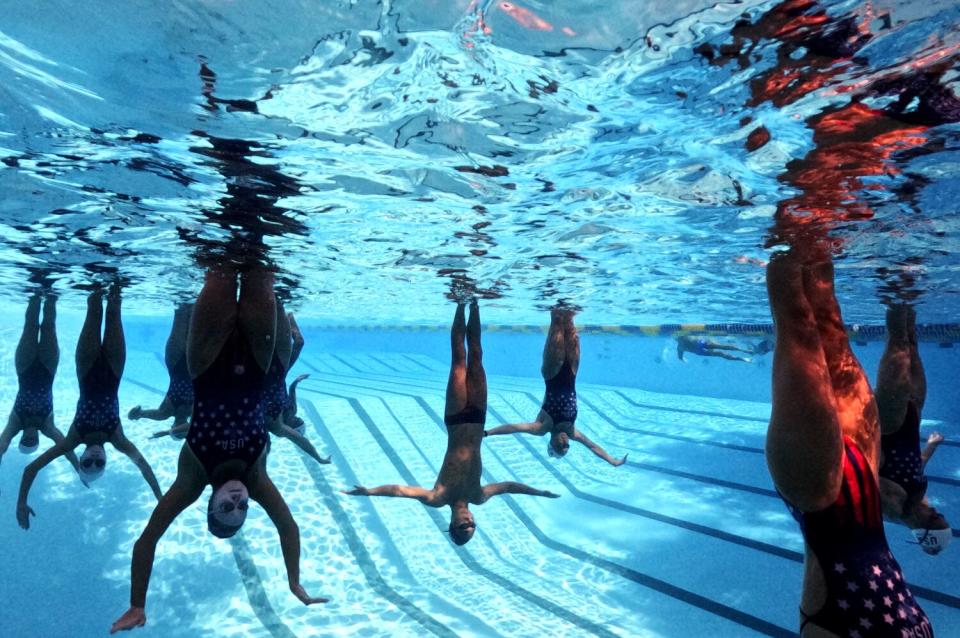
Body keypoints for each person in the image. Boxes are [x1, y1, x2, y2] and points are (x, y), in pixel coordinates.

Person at [110, 265, 327, 634]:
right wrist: (294, 581)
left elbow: (148, 539)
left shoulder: (193, 477)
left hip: (206, 361)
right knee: (261, 269)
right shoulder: (256, 480)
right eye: (241, 509)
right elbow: (288, 528)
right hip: (258, 360)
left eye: (226, 507)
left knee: (219, 270)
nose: (237, 500)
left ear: (210, 504)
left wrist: (136, 603)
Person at [765, 243, 933, 636]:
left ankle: (793, 212)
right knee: (829, 319)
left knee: (799, 322)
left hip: (818, 496)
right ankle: (822, 214)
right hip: (865, 469)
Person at [344, 301, 559, 545]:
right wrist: (538, 492)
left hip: (456, 419)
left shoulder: (438, 497)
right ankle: (475, 304)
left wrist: (370, 491)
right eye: (472, 525)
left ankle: (459, 303)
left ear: (453, 524)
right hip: (478, 418)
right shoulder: (478, 496)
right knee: (476, 356)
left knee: (459, 359)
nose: (468, 520)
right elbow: (508, 486)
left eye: (463, 526)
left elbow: (401, 491)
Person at [17, 288, 163, 529]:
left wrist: (21, 502)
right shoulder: (118, 439)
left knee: (94, 305)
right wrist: (159, 499)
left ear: (81, 458)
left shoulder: (73, 439)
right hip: (115, 368)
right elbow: (144, 467)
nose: (94, 460)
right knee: (114, 308)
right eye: (99, 464)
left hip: (85, 366)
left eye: (87, 464)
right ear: (106, 460)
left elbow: (32, 468)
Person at [484, 307, 627, 466]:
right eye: (567, 446)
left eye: (561, 446)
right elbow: (592, 446)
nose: (565, 442)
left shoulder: (541, 427)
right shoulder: (572, 431)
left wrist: (487, 433)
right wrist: (612, 461)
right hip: (572, 371)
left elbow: (514, 428)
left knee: (557, 319)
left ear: (552, 443)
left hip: (552, 371)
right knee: (570, 319)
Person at [875, 303, 951, 554]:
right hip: (912, 418)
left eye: (932, 517)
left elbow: (866, 471)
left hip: (891, 427)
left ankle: (897, 288)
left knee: (898, 345)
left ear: (921, 527)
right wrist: (931, 446)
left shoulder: (893, 507)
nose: (932, 509)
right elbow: (914, 467)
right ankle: (910, 295)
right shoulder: (917, 501)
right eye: (937, 513)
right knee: (912, 346)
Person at [0, 295, 83, 477]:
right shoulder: (47, 426)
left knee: (30, 326)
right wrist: (78, 468)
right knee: (49, 326)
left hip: (24, 368)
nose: (30, 438)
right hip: (48, 368)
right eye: (32, 442)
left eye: (26, 441)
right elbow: (65, 446)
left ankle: (34, 294)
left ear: (21, 438)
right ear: (38, 438)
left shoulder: (15, 423)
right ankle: (51, 294)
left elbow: (2, 445)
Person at [262, 302, 328, 463]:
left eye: (297, 422)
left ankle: (275, 308)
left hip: (266, 377)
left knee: (269, 340)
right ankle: (288, 313)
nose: (298, 418)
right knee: (299, 342)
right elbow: (290, 390)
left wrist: (319, 458)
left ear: (292, 428)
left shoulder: (276, 427)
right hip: (279, 376)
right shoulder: (292, 409)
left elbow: (301, 441)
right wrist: (297, 382)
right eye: (300, 420)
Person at [128, 304, 194, 440]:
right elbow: (198, 425)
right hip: (194, 361)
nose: (179, 429)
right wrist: (167, 433)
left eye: (176, 431)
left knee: (180, 315)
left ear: (172, 427)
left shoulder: (165, 412)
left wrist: (136, 415)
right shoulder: (194, 413)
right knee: (194, 316)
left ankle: (181, 292)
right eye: (182, 432)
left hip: (174, 362)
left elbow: (140, 414)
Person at [676, 334, 753, 363]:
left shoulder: (679, 347)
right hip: (699, 342)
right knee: (722, 347)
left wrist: (684, 360)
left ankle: (743, 359)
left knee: (720, 354)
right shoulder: (684, 335)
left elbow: (680, 358)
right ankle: (746, 351)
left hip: (698, 350)